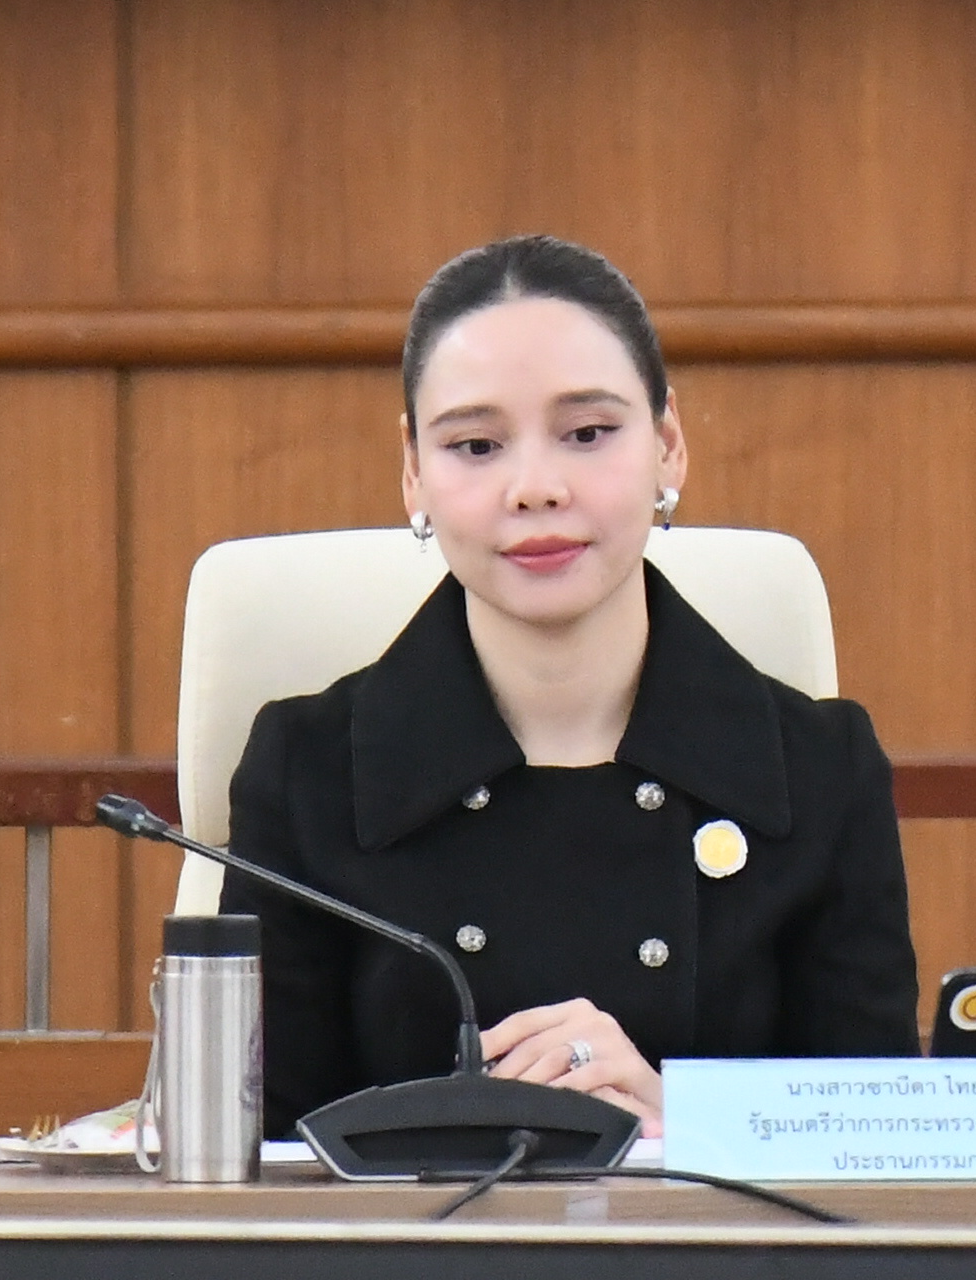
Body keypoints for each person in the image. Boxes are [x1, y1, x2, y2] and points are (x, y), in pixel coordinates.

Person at [222, 235, 919, 1139]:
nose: (536, 489)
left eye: (588, 434)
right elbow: (263, 1164)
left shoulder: (821, 768)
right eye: (476, 445)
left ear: (669, 446)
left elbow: (871, 1150)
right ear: (414, 472)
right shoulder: (307, 771)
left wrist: (683, 1127)